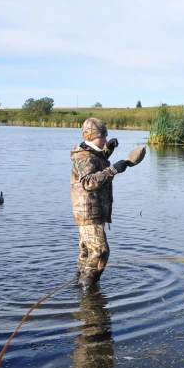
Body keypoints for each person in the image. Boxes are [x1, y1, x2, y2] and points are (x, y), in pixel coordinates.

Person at [70, 118, 134, 287]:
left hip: (88, 211)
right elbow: (88, 182)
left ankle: (80, 283)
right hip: (89, 211)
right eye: (102, 137)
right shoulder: (85, 157)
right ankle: (88, 291)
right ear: (89, 136)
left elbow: (97, 161)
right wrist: (113, 170)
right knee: (100, 252)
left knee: (87, 251)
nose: (105, 139)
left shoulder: (91, 153)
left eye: (106, 136)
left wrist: (108, 149)